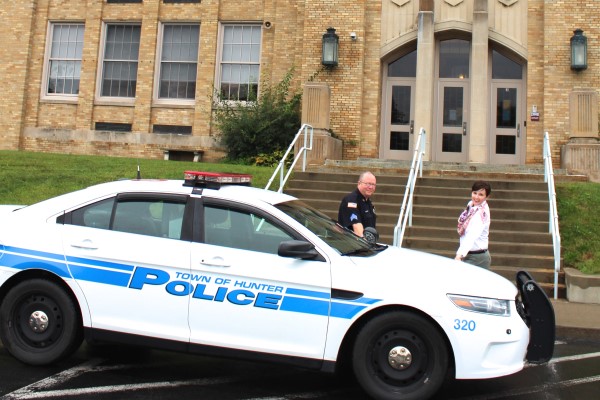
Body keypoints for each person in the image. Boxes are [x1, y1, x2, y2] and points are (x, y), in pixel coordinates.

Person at [455, 180, 492, 269]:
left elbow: (471, 235)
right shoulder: (471, 206)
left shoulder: (481, 213)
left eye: (481, 195)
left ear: (487, 196)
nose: (476, 197)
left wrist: (459, 255)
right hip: (469, 254)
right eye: (474, 193)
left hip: (477, 257)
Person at [338, 171, 377, 237]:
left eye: (373, 185)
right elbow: (357, 228)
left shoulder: (368, 202)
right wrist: (367, 244)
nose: (370, 187)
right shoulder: (351, 201)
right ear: (359, 183)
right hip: (354, 244)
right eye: (368, 184)